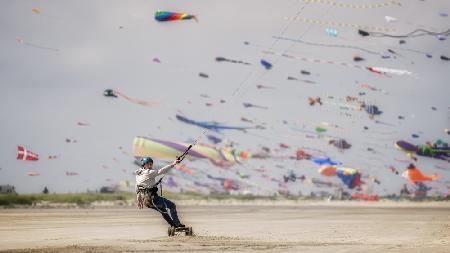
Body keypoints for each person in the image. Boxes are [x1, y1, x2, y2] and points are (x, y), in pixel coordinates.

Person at [135, 157, 185, 228]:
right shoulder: (149, 172)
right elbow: (161, 171)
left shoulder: (139, 173)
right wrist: (173, 164)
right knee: (172, 206)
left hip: (146, 201)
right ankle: (177, 224)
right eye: (148, 164)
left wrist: (139, 200)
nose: (150, 166)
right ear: (144, 165)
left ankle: (174, 225)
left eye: (151, 164)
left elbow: (138, 187)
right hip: (152, 199)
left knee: (163, 211)